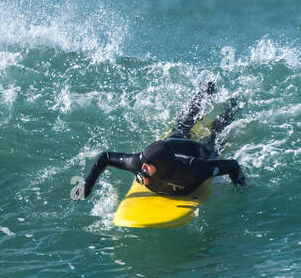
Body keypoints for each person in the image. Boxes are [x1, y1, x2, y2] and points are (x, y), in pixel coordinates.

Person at [78, 80, 245, 199]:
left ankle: (232, 106)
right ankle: (203, 92)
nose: (141, 167)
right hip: (171, 143)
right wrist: (88, 185)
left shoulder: (194, 170)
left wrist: (240, 190)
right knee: (181, 127)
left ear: (162, 167)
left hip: (195, 150)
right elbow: (106, 157)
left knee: (213, 138)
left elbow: (232, 166)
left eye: (147, 166)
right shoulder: (139, 163)